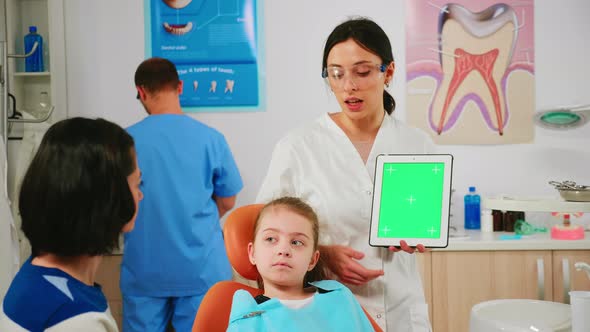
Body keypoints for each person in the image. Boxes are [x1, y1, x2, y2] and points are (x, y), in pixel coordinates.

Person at [256, 18, 434, 331]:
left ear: (388, 73)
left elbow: (426, 221)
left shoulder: (415, 143)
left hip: (400, 309)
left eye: (362, 72)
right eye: (336, 74)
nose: (348, 85)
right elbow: (263, 233)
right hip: (326, 314)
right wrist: (321, 254)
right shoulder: (298, 146)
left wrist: (423, 234)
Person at [121, 57, 243, 332]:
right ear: (180, 87)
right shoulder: (210, 138)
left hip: (145, 269)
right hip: (200, 270)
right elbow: (228, 200)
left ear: (141, 92)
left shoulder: (124, 142)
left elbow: (115, 204)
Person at [0, 117, 142, 331]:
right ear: (108, 199)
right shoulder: (78, 319)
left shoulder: (34, 276)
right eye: (136, 183)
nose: (140, 195)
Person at [227, 197, 375, 331]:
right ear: (252, 253)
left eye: (296, 242)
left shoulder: (338, 296)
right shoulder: (248, 317)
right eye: (271, 239)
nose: (283, 250)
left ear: (312, 260)